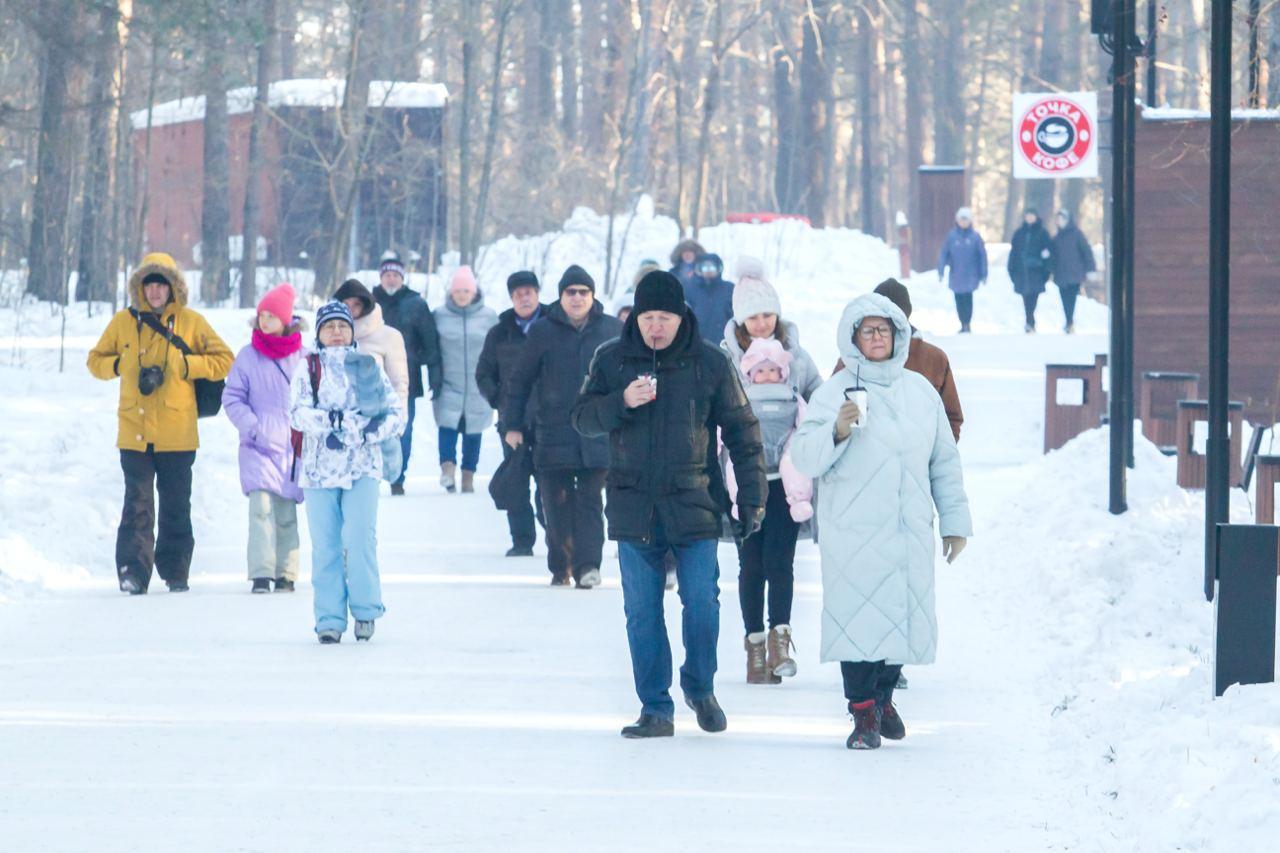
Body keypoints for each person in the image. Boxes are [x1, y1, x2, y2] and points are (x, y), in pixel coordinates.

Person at [572, 270, 767, 739]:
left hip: (694, 501)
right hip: (632, 505)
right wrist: (620, 400)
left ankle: (700, 687)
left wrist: (753, 498)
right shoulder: (612, 360)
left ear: (682, 317)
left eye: (664, 317)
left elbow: (743, 433)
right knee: (642, 612)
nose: (655, 327)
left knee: (702, 602)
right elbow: (582, 418)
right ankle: (655, 708)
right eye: (647, 317)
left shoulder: (710, 364)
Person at [790, 293, 972, 750]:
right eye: (868, 330)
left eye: (884, 330)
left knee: (902, 622)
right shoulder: (833, 393)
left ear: (899, 335)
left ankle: (885, 697)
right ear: (852, 337)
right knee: (857, 625)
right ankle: (863, 714)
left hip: (907, 527)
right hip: (852, 532)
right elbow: (805, 458)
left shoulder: (921, 392)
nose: (877, 338)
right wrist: (837, 430)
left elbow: (943, 462)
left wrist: (954, 522)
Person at [87, 252, 233, 595]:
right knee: (136, 503)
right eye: (148, 285)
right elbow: (94, 361)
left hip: (177, 432)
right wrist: (120, 365)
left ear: (173, 289)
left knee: (175, 503)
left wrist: (187, 367)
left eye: (161, 286)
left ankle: (176, 570)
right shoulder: (123, 322)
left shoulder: (191, 322)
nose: (154, 292)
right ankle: (133, 572)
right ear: (140, 288)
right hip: (134, 432)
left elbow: (225, 359)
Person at [719, 260, 822, 684]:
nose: (762, 323)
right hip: (743, 481)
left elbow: (819, 399)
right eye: (753, 317)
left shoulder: (797, 359)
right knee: (751, 566)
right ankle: (754, 646)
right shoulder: (726, 360)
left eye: (768, 314)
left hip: (786, 485)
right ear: (741, 322)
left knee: (783, 562)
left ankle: (781, 636)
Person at [289, 301, 404, 644]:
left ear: (352, 331)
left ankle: (366, 610)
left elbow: (394, 414)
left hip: (362, 467)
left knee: (359, 538)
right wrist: (335, 422)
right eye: (329, 327)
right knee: (326, 545)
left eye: (342, 326)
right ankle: (329, 618)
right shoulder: (308, 367)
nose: (337, 332)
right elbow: (297, 413)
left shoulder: (368, 366)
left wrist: (367, 431)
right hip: (319, 470)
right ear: (320, 333)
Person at [503, 265, 622, 588]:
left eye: (584, 292)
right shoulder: (543, 331)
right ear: (561, 296)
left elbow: (624, 379)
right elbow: (520, 380)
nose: (577, 298)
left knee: (589, 502)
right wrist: (512, 424)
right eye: (571, 292)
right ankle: (560, 564)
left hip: (596, 433)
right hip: (552, 431)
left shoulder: (610, 329)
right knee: (554, 504)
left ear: (593, 295)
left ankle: (588, 566)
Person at [221, 283, 306, 594]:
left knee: (285, 513)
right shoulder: (247, 356)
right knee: (260, 510)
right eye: (262, 315)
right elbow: (232, 397)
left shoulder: (303, 358)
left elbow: (312, 397)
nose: (266, 321)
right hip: (257, 445)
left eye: (272, 316)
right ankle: (260, 573)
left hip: (292, 449)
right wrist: (252, 426)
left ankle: (286, 573)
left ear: (285, 320)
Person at [832, 279, 964, 443]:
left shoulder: (934, 359)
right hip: (864, 463)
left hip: (920, 465)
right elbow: (829, 413)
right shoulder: (852, 362)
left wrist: (934, 457)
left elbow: (951, 418)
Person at [476, 270, 549, 557]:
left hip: (548, 420)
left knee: (549, 484)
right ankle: (522, 541)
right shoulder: (500, 332)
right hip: (513, 422)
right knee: (516, 482)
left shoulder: (553, 325)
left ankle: (555, 535)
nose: (524, 298)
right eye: (518, 294)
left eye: (529, 292)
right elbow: (483, 373)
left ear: (537, 294)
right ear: (511, 299)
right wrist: (500, 400)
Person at [372, 253, 442, 494]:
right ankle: (371, 475)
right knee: (372, 427)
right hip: (372, 380)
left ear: (402, 278)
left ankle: (397, 478)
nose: (391, 280)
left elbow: (431, 342)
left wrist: (433, 374)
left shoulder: (416, 304)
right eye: (387, 275)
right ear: (381, 278)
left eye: (395, 275)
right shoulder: (369, 303)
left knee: (403, 428)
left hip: (405, 379)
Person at [433, 266, 498, 493]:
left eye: (466, 291)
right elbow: (431, 346)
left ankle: (468, 476)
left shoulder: (489, 316)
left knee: (474, 430)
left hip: (478, 385)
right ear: (451, 292)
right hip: (449, 382)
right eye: (458, 290)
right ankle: (447, 470)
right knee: (447, 426)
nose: (461, 295)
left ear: (474, 292)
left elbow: (497, 347)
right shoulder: (439, 315)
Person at [937, 206, 988, 333]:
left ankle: (967, 323)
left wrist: (984, 273)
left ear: (970, 221)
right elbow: (944, 253)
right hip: (956, 274)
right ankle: (962, 322)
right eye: (961, 219)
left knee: (968, 299)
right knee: (958, 299)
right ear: (957, 220)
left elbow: (982, 255)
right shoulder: (952, 236)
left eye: (966, 219)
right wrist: (941, 269)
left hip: (971, 275)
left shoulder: (975, 237)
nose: (963, 222)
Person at [1050, 209, 1096, 335]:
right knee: (1064, 299)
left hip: (1075, 274)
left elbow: (1086, 252)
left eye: (1062, 219)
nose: (1059, 221)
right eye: (1058, 219)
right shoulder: (1056, 238)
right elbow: (1052, 256)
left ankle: (1069, 322)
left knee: (1071, 298)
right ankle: (1068, 321)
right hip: (1061, 274)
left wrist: (1090, 269)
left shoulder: (1077, 234)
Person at [1007, 209, 1052, 333]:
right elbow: (1014, 253)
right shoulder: (1019, 233)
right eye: (1028, 216)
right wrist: (1012, 270)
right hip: (1022, 272)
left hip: (1037, 272)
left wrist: (1046, 271)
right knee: (1025, 297)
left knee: (1033, 297)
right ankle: (1029, 321)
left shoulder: (1043, 233)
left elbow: (1048, 252)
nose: (1030, 218)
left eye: (1032, 216)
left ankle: (1030, 321)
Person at [687, 252, 735, 345]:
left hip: (724, 343)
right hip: (698, 343)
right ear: (699, 269)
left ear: (719, 268)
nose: (708, 270)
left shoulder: (730, 288)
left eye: (712, 267)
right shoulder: (691, 289)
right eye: (705, 267)